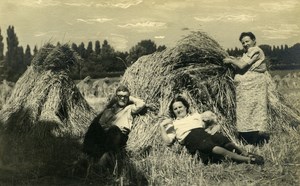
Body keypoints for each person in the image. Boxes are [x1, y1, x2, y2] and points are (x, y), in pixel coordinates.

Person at [159, 96, 264, 165]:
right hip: (191, 138)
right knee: (211, 146)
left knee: (221, 138)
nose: (178, 110)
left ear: (186, 107)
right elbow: (167, 141)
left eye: (180, 107)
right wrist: (162, 126)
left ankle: (245, 153)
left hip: (203, 134)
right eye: (175, 109)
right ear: (173, 111)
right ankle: (247, 160)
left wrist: (215, 127)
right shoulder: (173, 123)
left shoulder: (196, 116)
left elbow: (214, 120)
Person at [83, 85, 146, 172]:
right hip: (106, 134)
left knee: (114, 129)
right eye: (120, 96)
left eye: (125, 97)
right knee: (95, 125)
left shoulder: (130, 108)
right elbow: (101, 123)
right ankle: (85, 154)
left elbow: (141, 104)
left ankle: (101, 164)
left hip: (118, 135)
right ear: (116, 97)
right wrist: (105, 128)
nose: (123, 99)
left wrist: (130, 98)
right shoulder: (110, 110)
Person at [223, 32, 270, 145]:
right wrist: (235, 60)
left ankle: (254, 141)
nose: (245, 44)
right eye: (243, 42)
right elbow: (242, 63)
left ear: (254, 40)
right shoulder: (246, 53)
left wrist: (231, 60)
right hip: (245, 90)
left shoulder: (256, 50)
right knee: (246, 113)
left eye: (247, 41)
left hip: (253, 89)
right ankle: (248, 140)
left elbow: (242, 65)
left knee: (252, 111)